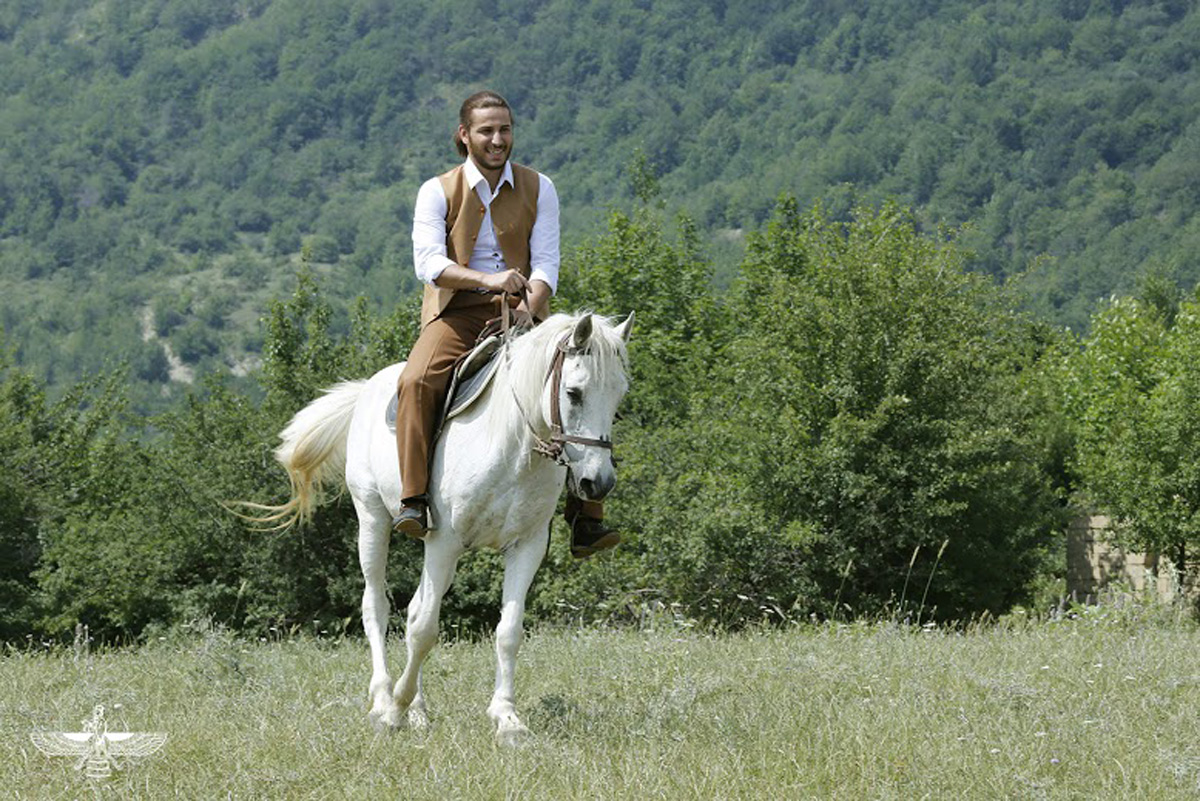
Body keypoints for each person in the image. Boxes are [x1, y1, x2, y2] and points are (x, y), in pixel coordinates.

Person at [392, 90, 618, 558]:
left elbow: (547, 264)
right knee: (416, 381)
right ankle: (414, 500)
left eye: (505, 129)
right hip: (457, 313)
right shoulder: (436, 190)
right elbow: (430, 265)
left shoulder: (541, 187)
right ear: (464, 135)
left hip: (525, 311)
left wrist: (529, 309)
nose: (498, 139)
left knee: (585, 380)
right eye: (487, 131)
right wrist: (488, 280)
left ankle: (586, 518)